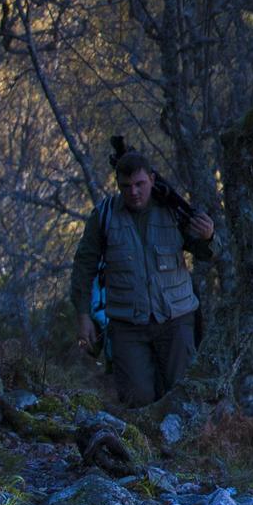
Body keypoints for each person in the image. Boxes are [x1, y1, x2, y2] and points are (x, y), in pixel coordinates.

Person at [70, 151, 216, 407]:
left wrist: (208, 237)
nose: (134, 192)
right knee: (136, 398)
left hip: (176, 320)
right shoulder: (104, 216)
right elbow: (84, 266)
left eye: (140, 184)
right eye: (126, 186)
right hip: (127, 324)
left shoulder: (174, 209)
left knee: (182, 397)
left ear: (151, 179)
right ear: (118, 184)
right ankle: (143, 447)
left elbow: (206, 254)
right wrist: (83, 316)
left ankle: (186, 446)